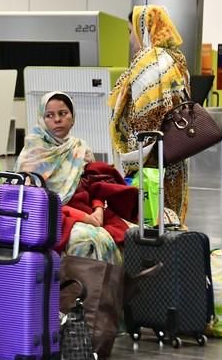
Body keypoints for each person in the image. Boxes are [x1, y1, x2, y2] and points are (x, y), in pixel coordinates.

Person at [16, 91, 138, 265]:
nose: (57, 119)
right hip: (53, 214)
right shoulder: (33, 152)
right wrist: (82, 217)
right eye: (50, 115)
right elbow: (33, 202)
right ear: (42, 119)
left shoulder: (80, 147)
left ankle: (124, 290)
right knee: (89, 239)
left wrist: (98, 209)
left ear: (72, 118)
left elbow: (96, 184)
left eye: (63, 113)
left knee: (133, 234)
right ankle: (89, 290)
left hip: (89, 209)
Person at [109, 5, 190, 225]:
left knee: (149, 215)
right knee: (170, 212)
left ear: (143, 29)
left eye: (130, 31)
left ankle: (149, 256)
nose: (130, 39)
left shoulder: (150, 62)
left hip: (151, 156)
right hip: (174, 150)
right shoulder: (176, 59)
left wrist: (132, 152)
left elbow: (146, 115)